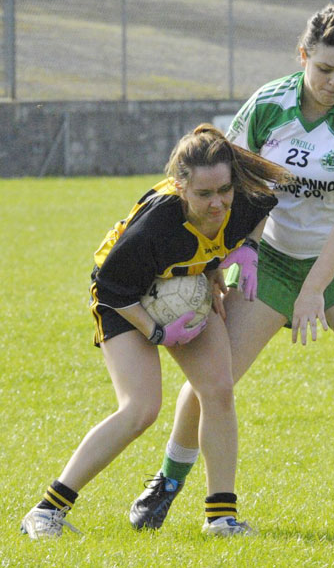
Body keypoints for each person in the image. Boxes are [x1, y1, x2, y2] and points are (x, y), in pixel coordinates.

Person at [129, 4, 334, 533]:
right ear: (303, 57)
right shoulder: (268, 104)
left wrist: (314, 292)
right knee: (215, 378)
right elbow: (232, 188)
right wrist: (232, 255)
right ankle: (168, 479)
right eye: (324, 68)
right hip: (272, 258)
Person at [20, 123, 291, 539]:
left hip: (184, 285)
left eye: (224, 189)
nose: (218, 202)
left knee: (218, 389)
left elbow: (264, 206)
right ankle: (46, 511)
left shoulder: (243, 198)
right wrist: (159, 333)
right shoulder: (157, 226)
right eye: (204, 194)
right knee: (140, 409)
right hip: (124, 297)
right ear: (181, 187)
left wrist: (243, 253)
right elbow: (112, 286)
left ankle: (221, 518)